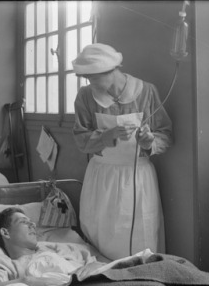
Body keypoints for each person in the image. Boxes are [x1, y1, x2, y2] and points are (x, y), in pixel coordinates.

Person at [72, 43, 173, 261]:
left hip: (137, 177)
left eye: (94, 78)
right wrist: (108, 136)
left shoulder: (146, 91)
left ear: (111, 71)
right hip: (102, 176)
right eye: (88, 79)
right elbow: (81, 140)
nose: (91, 84)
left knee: (140, 233)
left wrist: (149, 141)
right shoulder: (86, 96)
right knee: (102, 231)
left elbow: (165, 133)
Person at [0, 207, 106, 286]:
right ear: (5, 232)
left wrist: (93, 267)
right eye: (24, 222)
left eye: (31, 222)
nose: (33, 225)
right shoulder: (4, 263)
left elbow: (98, 264)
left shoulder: (57, 249)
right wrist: (27, 281)